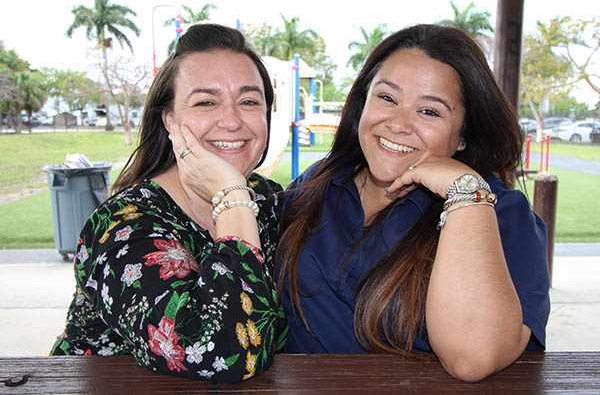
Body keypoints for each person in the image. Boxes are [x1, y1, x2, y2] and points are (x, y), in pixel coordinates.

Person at [277, 24, 550, 382]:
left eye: (429, 112)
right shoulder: (320, 184)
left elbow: (472, 358)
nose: (398, 124)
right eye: (387, 98)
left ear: (464, 135)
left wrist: (464, 192)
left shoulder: (500, 213)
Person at [50, 24, 287, 383]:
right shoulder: (121, 226)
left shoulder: (268, 201)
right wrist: (231, 194)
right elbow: (223, 352)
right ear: (170, 121)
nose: (232, 120)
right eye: (206, 102)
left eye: (249, 101)